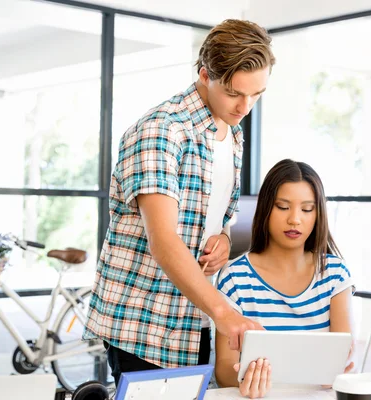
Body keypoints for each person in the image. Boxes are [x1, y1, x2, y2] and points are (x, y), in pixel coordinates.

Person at [83, 19, 276, 385]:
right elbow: (163, 239)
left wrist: (221, 239)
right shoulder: (162, 130)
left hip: (191, 318)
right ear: (205, 74)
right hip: (145, 322)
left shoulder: (231, 133)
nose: (245, 107)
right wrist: (225, 312)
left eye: (257, 94)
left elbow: (217, 217)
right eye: (235, 93)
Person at [215, 159, 355, 399]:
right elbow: (224, 369)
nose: (295, 219)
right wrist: (244, 380)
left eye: (307, 209)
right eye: (282, 207)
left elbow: (345, 355)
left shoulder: (335, 274)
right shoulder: (235, 277)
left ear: (318, 213)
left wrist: (342, 372)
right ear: (266, 209)